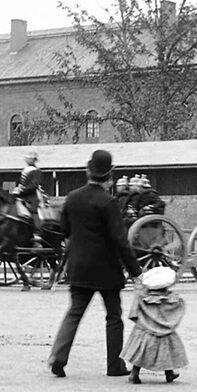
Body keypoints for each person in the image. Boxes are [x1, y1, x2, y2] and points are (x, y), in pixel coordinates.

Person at [48, 149, 143, 379]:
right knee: (113, 316)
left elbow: (65, 230)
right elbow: (120, 240)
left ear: (88, 172)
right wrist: (135, 272)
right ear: (109, 176)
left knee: (74, 312)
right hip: (106, 269)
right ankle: (114, 365)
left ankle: (58, 359)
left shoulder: (72, 197)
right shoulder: (109, 202)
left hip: (79, 266)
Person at [122, 266, 188, 384]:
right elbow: (179, 307)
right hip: (165, 330)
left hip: (144, 329)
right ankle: (169, 373)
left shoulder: (142, 298)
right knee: (167, 351)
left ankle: (134, 373)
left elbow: (134, 312)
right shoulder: (172, 299)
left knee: (140, 351)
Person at [12, 149, 42, 231]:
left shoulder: (36, 171)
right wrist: (17, 189)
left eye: (29, 159)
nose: (27, 160)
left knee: (33, 212)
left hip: (31, 196)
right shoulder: (25, 169)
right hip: (22, 195)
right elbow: (22, 183)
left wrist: (22, 190)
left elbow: (34, 185)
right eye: (27, 159)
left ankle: (37, 230)